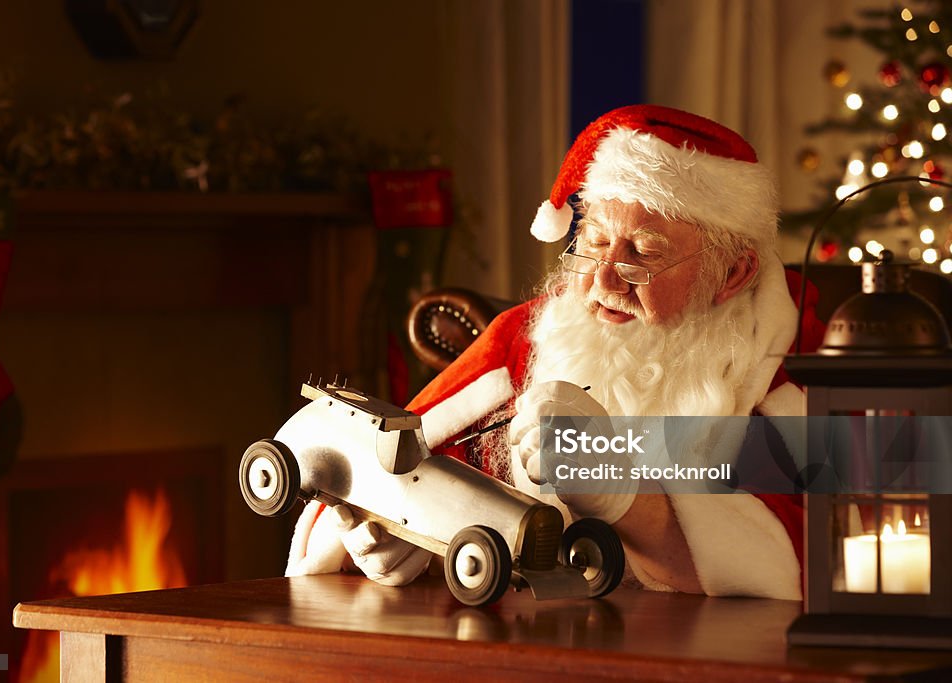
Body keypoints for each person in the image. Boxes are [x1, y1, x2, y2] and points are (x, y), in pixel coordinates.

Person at [285, 104, 825, 599]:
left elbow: (808, 563)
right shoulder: (525, 337)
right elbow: (398, 466)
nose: (604, 280)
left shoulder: (789, 365)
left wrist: (620, 498)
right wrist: (386, 534)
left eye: (644, 252)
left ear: (732, 274)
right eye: (593, 242)